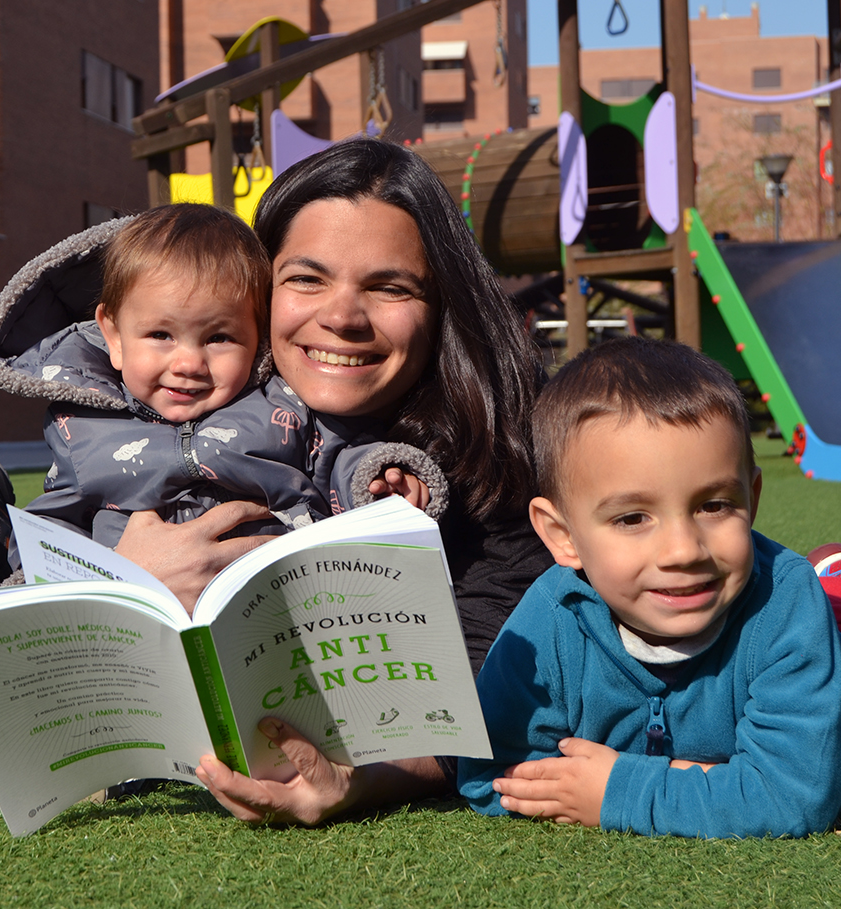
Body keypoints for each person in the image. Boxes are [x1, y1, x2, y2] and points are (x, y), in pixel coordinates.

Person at [104, 138, 555, 825]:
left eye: (388, 286)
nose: (341, 316)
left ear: (440, 306)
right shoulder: (177, 390)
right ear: (256, 291)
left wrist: (362, 782)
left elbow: (478, 680)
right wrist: (124, 583)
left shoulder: (504, 447)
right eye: (307, 279)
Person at [455, 337, 841, 838]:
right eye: (633, 517)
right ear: (563, 536)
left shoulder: (785, 605)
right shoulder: (552, 618)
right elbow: (490, 775)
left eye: (714, 505)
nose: (683, 551)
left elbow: (795, 798)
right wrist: (717, 781)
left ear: (753, 496)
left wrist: (617, 788)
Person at [0, 203, 442, 567]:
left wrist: (379, 479)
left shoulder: (283, 404)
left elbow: (337, 457)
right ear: (112, 335)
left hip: (282, 606)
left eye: (219, 337)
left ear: (257, 337)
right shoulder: (83, 428)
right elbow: (51, 526)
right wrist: (75, 576)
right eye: (160, 335)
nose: (189, 362)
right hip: (147, 619)